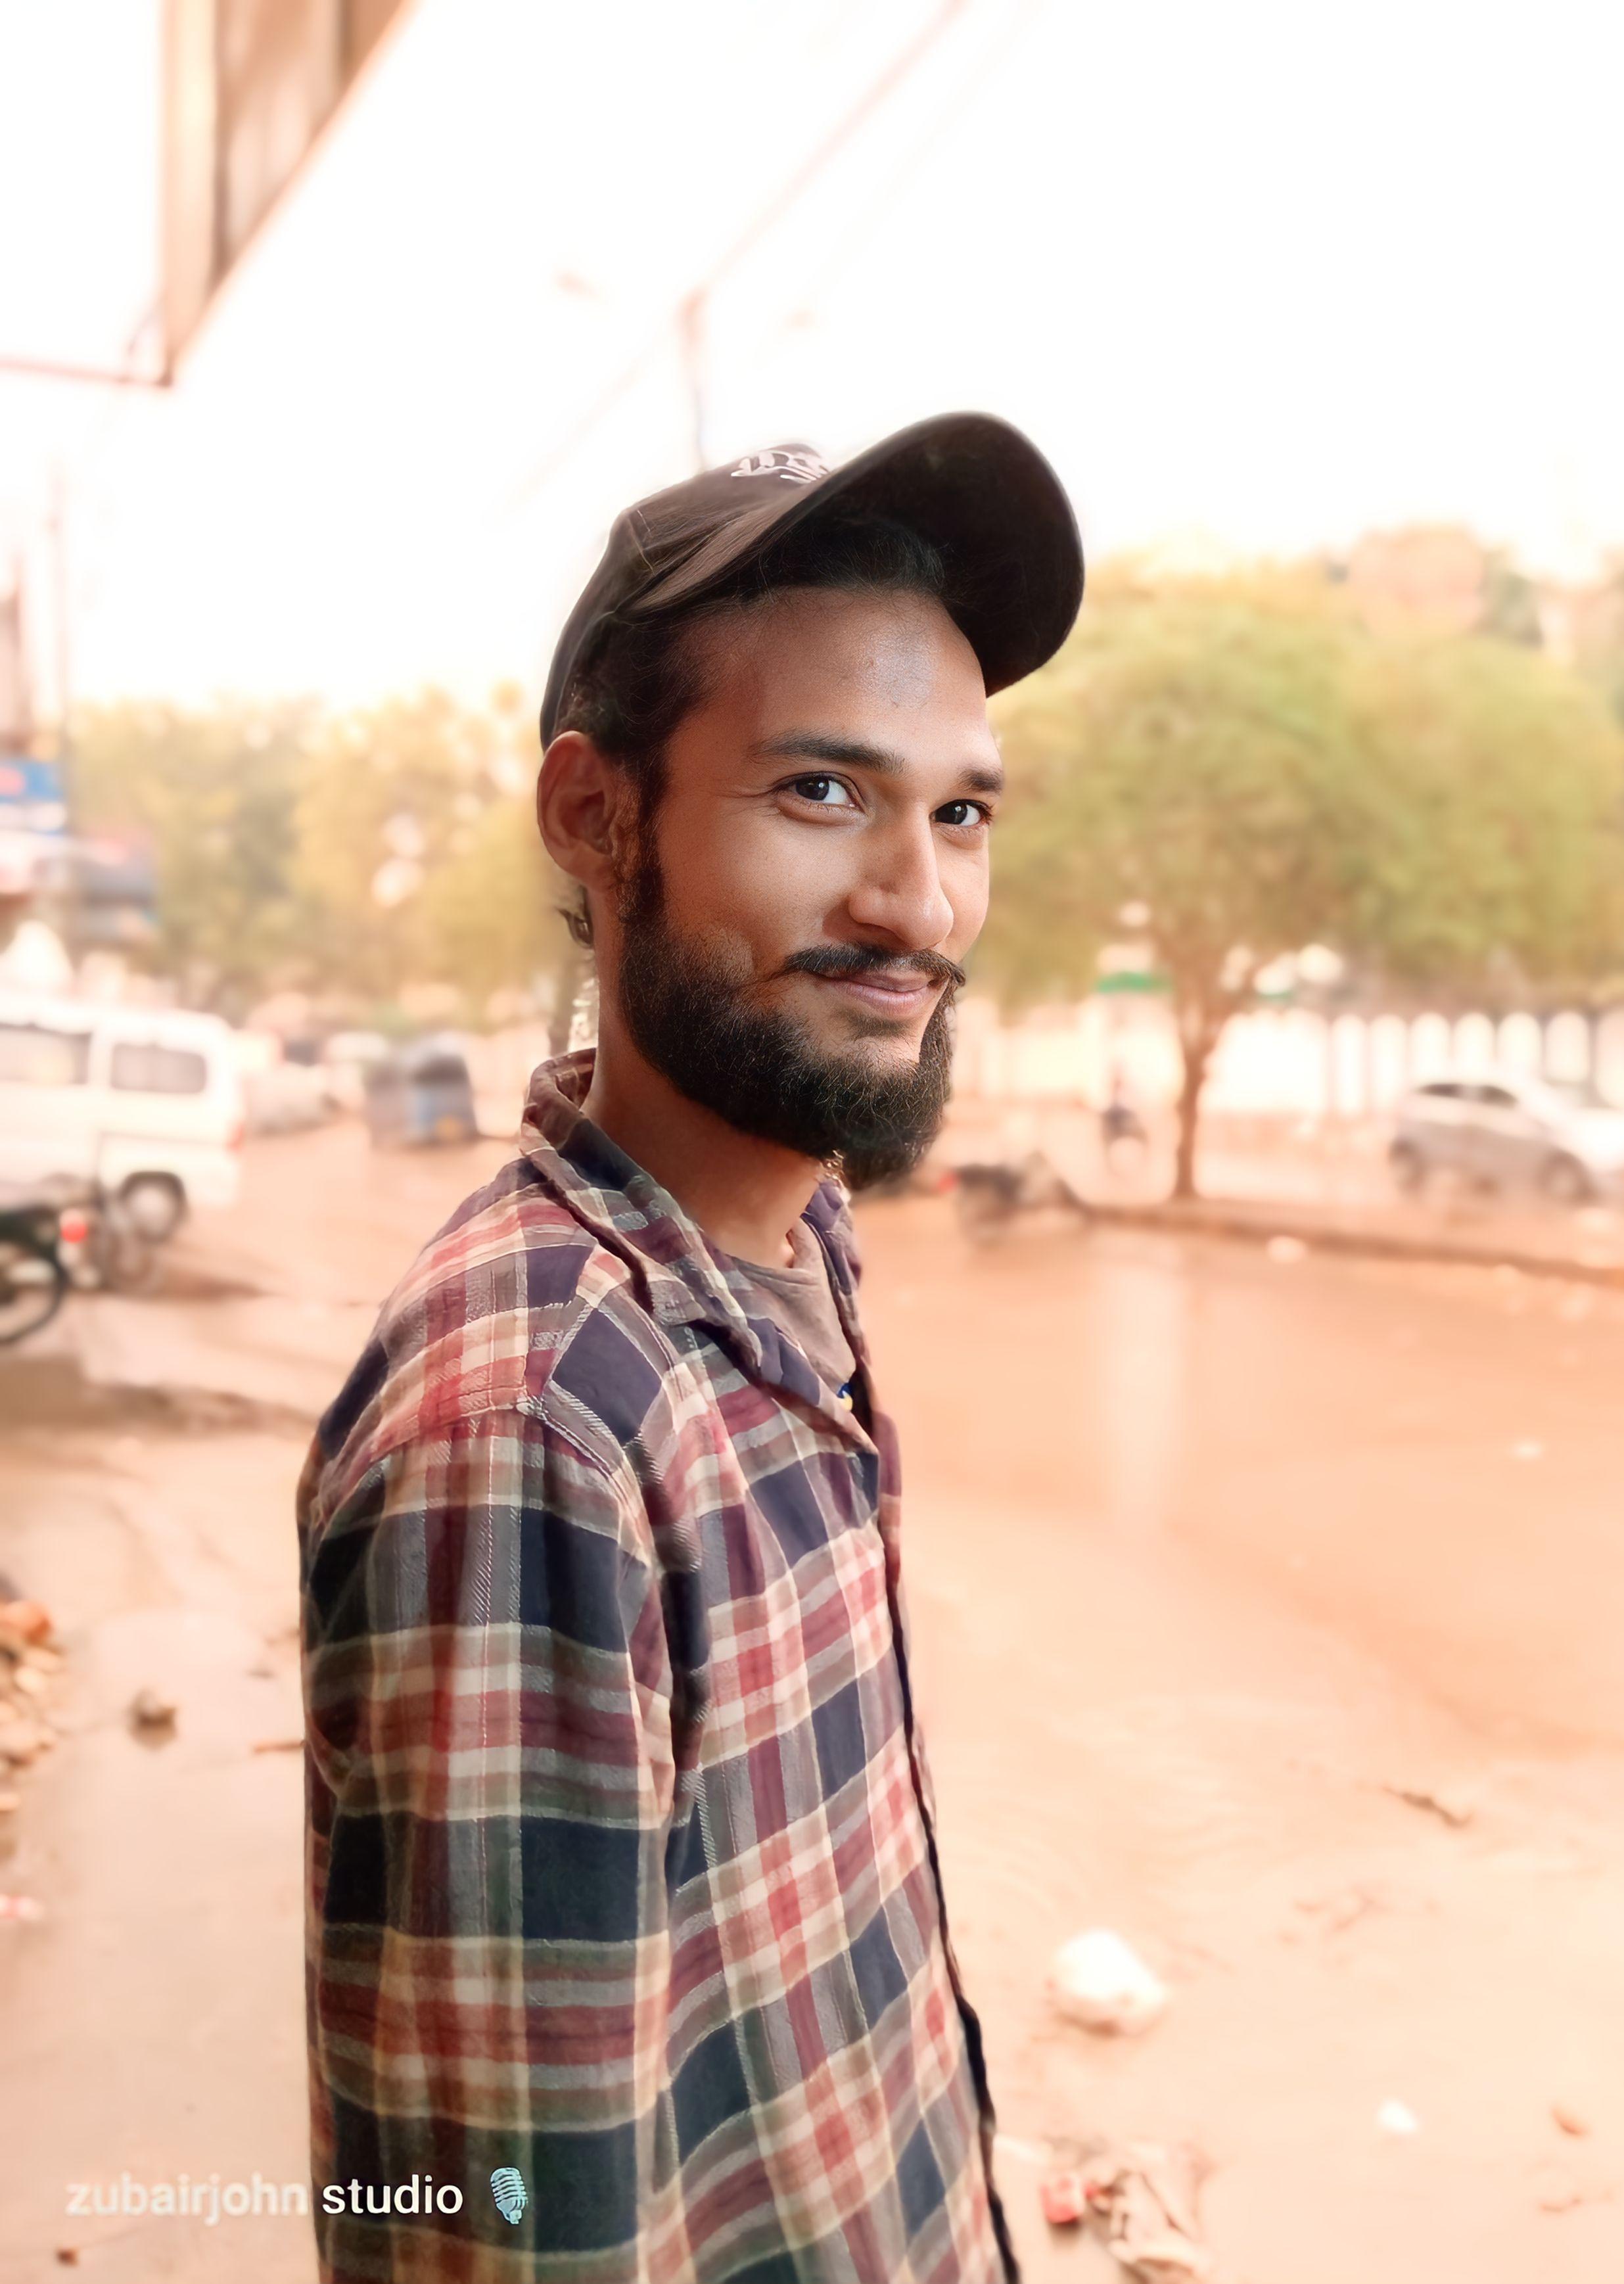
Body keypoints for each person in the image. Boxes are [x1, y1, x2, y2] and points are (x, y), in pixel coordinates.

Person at [298, 415, 1083, 2282]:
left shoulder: (790, 1248)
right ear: (595, 816)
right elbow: (494, 2227)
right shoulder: (532, 1434)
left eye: (961, 813)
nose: (921, 905)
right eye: (821, 791)